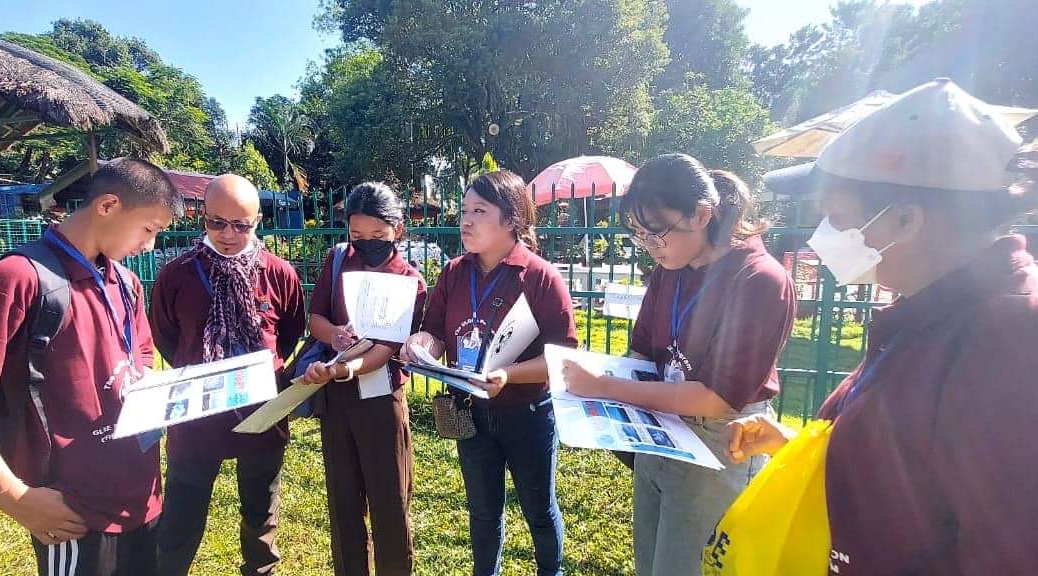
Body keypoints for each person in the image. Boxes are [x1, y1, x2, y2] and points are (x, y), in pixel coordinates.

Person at [726, 78, 1038, 575]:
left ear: (906, 219)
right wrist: (816, 449)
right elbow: (923, 468)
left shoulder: (1037, 339)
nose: (823, 236)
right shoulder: (931, 311)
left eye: (836, 216)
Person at [0, 158, 182, 576]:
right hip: (74, 509)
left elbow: (140, 356)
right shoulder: (16, 279)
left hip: (141, 492)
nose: (149, 246)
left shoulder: (125, 283)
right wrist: (14, 496)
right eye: (149, 229)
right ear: (108, 206)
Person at [558, 156, 795, 576]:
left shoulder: (759, 280)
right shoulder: (672, 268)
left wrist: (605, 388)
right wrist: (604, 410)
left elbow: (717, 399)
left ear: (702, 214)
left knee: (688, 566)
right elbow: (643, 352)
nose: (649, 244)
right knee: (652, 562)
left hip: (721, 442)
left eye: (657, 232)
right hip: (662, 432)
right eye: (638, 233)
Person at [402, 171, 576, 576]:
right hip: (471, 412)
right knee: (483, 512)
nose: (466, 221)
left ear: (512, 219)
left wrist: (508, 376)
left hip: (527, 414)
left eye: (479, 211)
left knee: (538, 509)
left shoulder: (539, 276)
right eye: (464, 210)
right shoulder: (454, 272)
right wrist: (422, 346)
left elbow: (564, 355)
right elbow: (435, 332)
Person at [150, 174, 307, 576]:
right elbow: (166, 338)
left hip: (261, 413)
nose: (228, 234)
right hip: (196, 416)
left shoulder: (278, 273)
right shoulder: (177, 274)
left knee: (260, 510)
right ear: (202, 217)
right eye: (217, 222)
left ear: (258, 221)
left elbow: (288, 334)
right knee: (182, 511)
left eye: (241, 225)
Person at [301, 182, 428, 576]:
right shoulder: (339, 260)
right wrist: (335, 335)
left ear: (398, 229)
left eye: (378, 235)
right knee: (343, 504)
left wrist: (341, 369)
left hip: (380, 400)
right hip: (337, 401)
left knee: (389, 502)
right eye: (357, 235)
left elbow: (384, 352)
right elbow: (316, 317)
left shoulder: (409, 280)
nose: (366, 243)